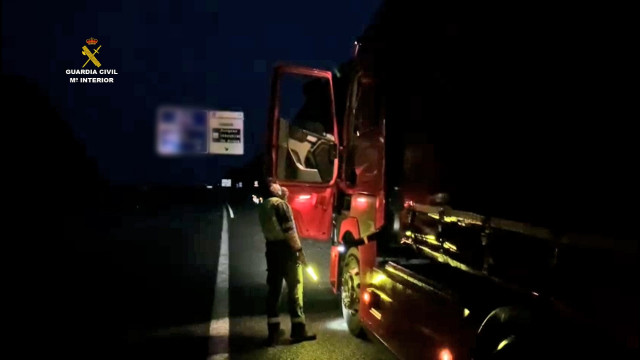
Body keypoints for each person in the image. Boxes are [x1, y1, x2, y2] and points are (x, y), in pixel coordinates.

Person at [257, 178, 317, 346]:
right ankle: (298, 330)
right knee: (295, 289)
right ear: (271, 187)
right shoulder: (280, 205)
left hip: (271, 250)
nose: (280, 185)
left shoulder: (264, 206)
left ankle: (273, 334)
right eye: (276, 183)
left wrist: (284, 198)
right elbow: (289, 230)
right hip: (287, 252)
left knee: (274, 291)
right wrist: (299, 252)